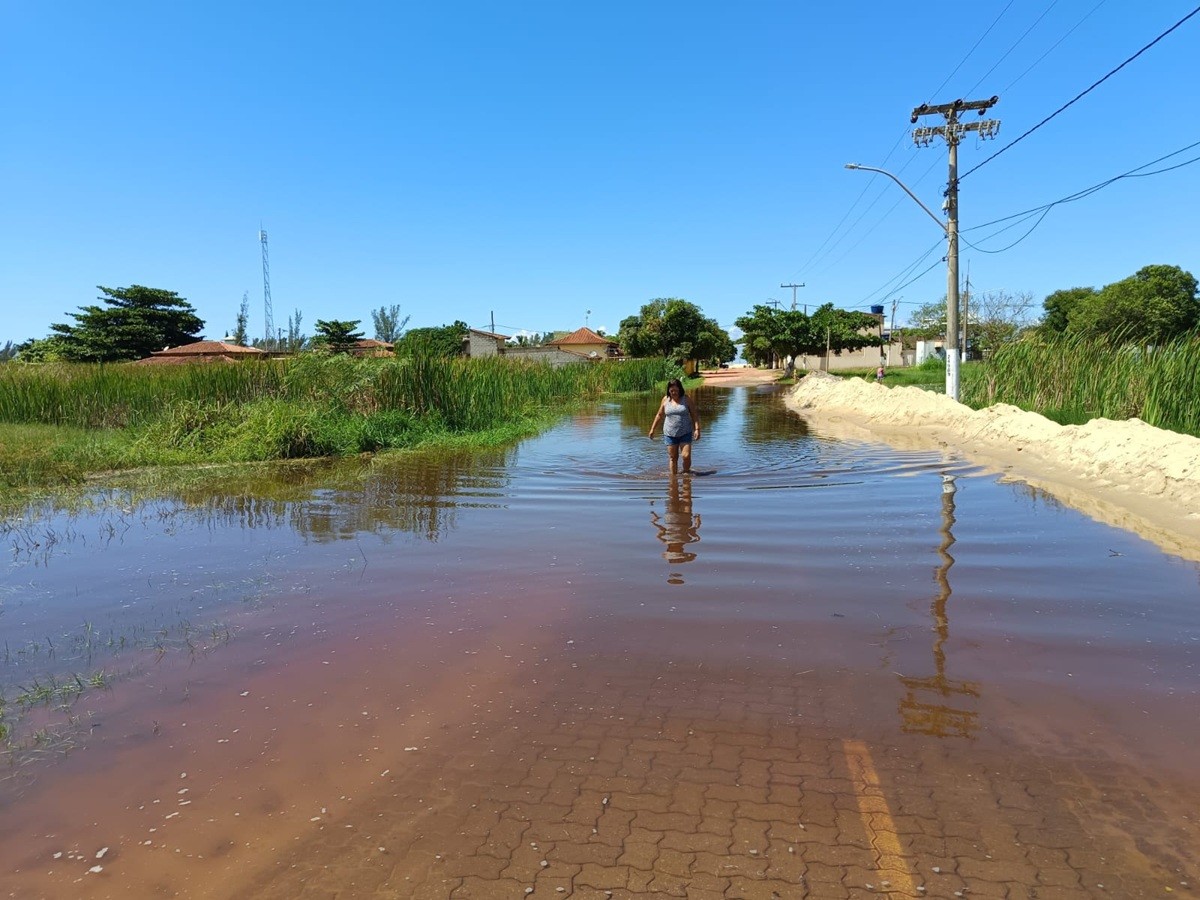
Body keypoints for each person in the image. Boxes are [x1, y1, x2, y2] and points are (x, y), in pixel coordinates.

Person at [647, 378, 700, 476]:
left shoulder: (686, 399)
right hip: (669, 433)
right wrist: (652, 429)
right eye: (671, 391)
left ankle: (686, 474)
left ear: (680, 389)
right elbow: (659, 415)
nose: (674, 393)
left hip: (685, 432)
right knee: (673, 457)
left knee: (686, 456)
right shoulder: (665, 400)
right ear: (668, 390)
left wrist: (697, 429)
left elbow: (694, 414)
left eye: (676, 390)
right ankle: (673, 478)